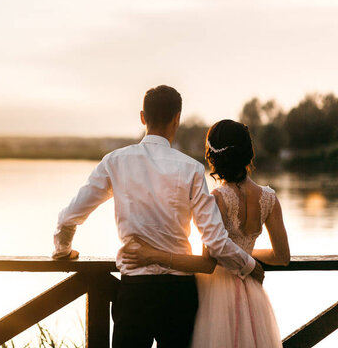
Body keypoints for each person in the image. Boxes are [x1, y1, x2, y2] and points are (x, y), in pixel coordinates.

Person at [52, 85, 264, 348]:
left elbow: (68, 219)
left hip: (135, 292)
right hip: (179, 296)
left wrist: (64, 251)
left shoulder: (115, 162)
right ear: (177, 119)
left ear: (143, 117)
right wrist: (250, 266)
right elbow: (217, 242)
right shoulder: (192, 170)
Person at [122, 119, 290, 347]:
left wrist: (154, 255)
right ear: (248, 154)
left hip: (216, 297)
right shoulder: (269, 198)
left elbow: (207, 262)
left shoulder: (217, 199)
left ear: (214, 157)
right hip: (252, 293)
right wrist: (247, 256)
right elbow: (281, 256)